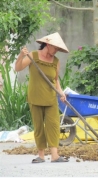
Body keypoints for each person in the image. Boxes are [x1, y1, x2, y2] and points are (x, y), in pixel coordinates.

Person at [15, 32, 69, 163]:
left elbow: (56, 81)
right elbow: (18, 68)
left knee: (53, 126)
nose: (56, 51)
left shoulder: (56, 61)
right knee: (39, 127)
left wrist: (61, 93)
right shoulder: (33, 56)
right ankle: (41, 156)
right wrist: (21, 55)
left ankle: (55, 156)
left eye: (58, 49)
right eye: (55, 48)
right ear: (48, 44)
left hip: (50, 98)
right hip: (35, 97)